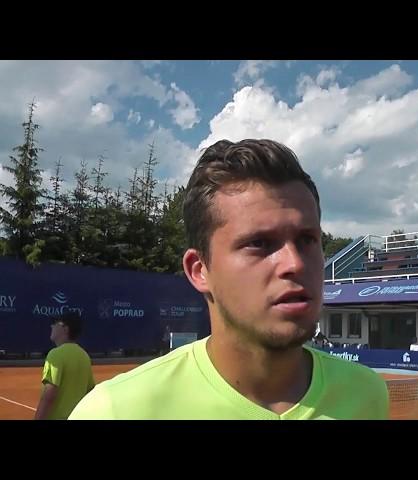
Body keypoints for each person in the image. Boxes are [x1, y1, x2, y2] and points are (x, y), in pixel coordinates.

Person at [70, 139, 389, 420]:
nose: (294, 263)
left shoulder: (366, 393)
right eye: (259, 244)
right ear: (199, 270)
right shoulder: (114, 411)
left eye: (307, 240)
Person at [34, 312, 95, 420]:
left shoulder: (55, 354)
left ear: (65, 329)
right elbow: (90, 392)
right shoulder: (85, 356)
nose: (51, 326)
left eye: (55, 323)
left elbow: (49, 395)